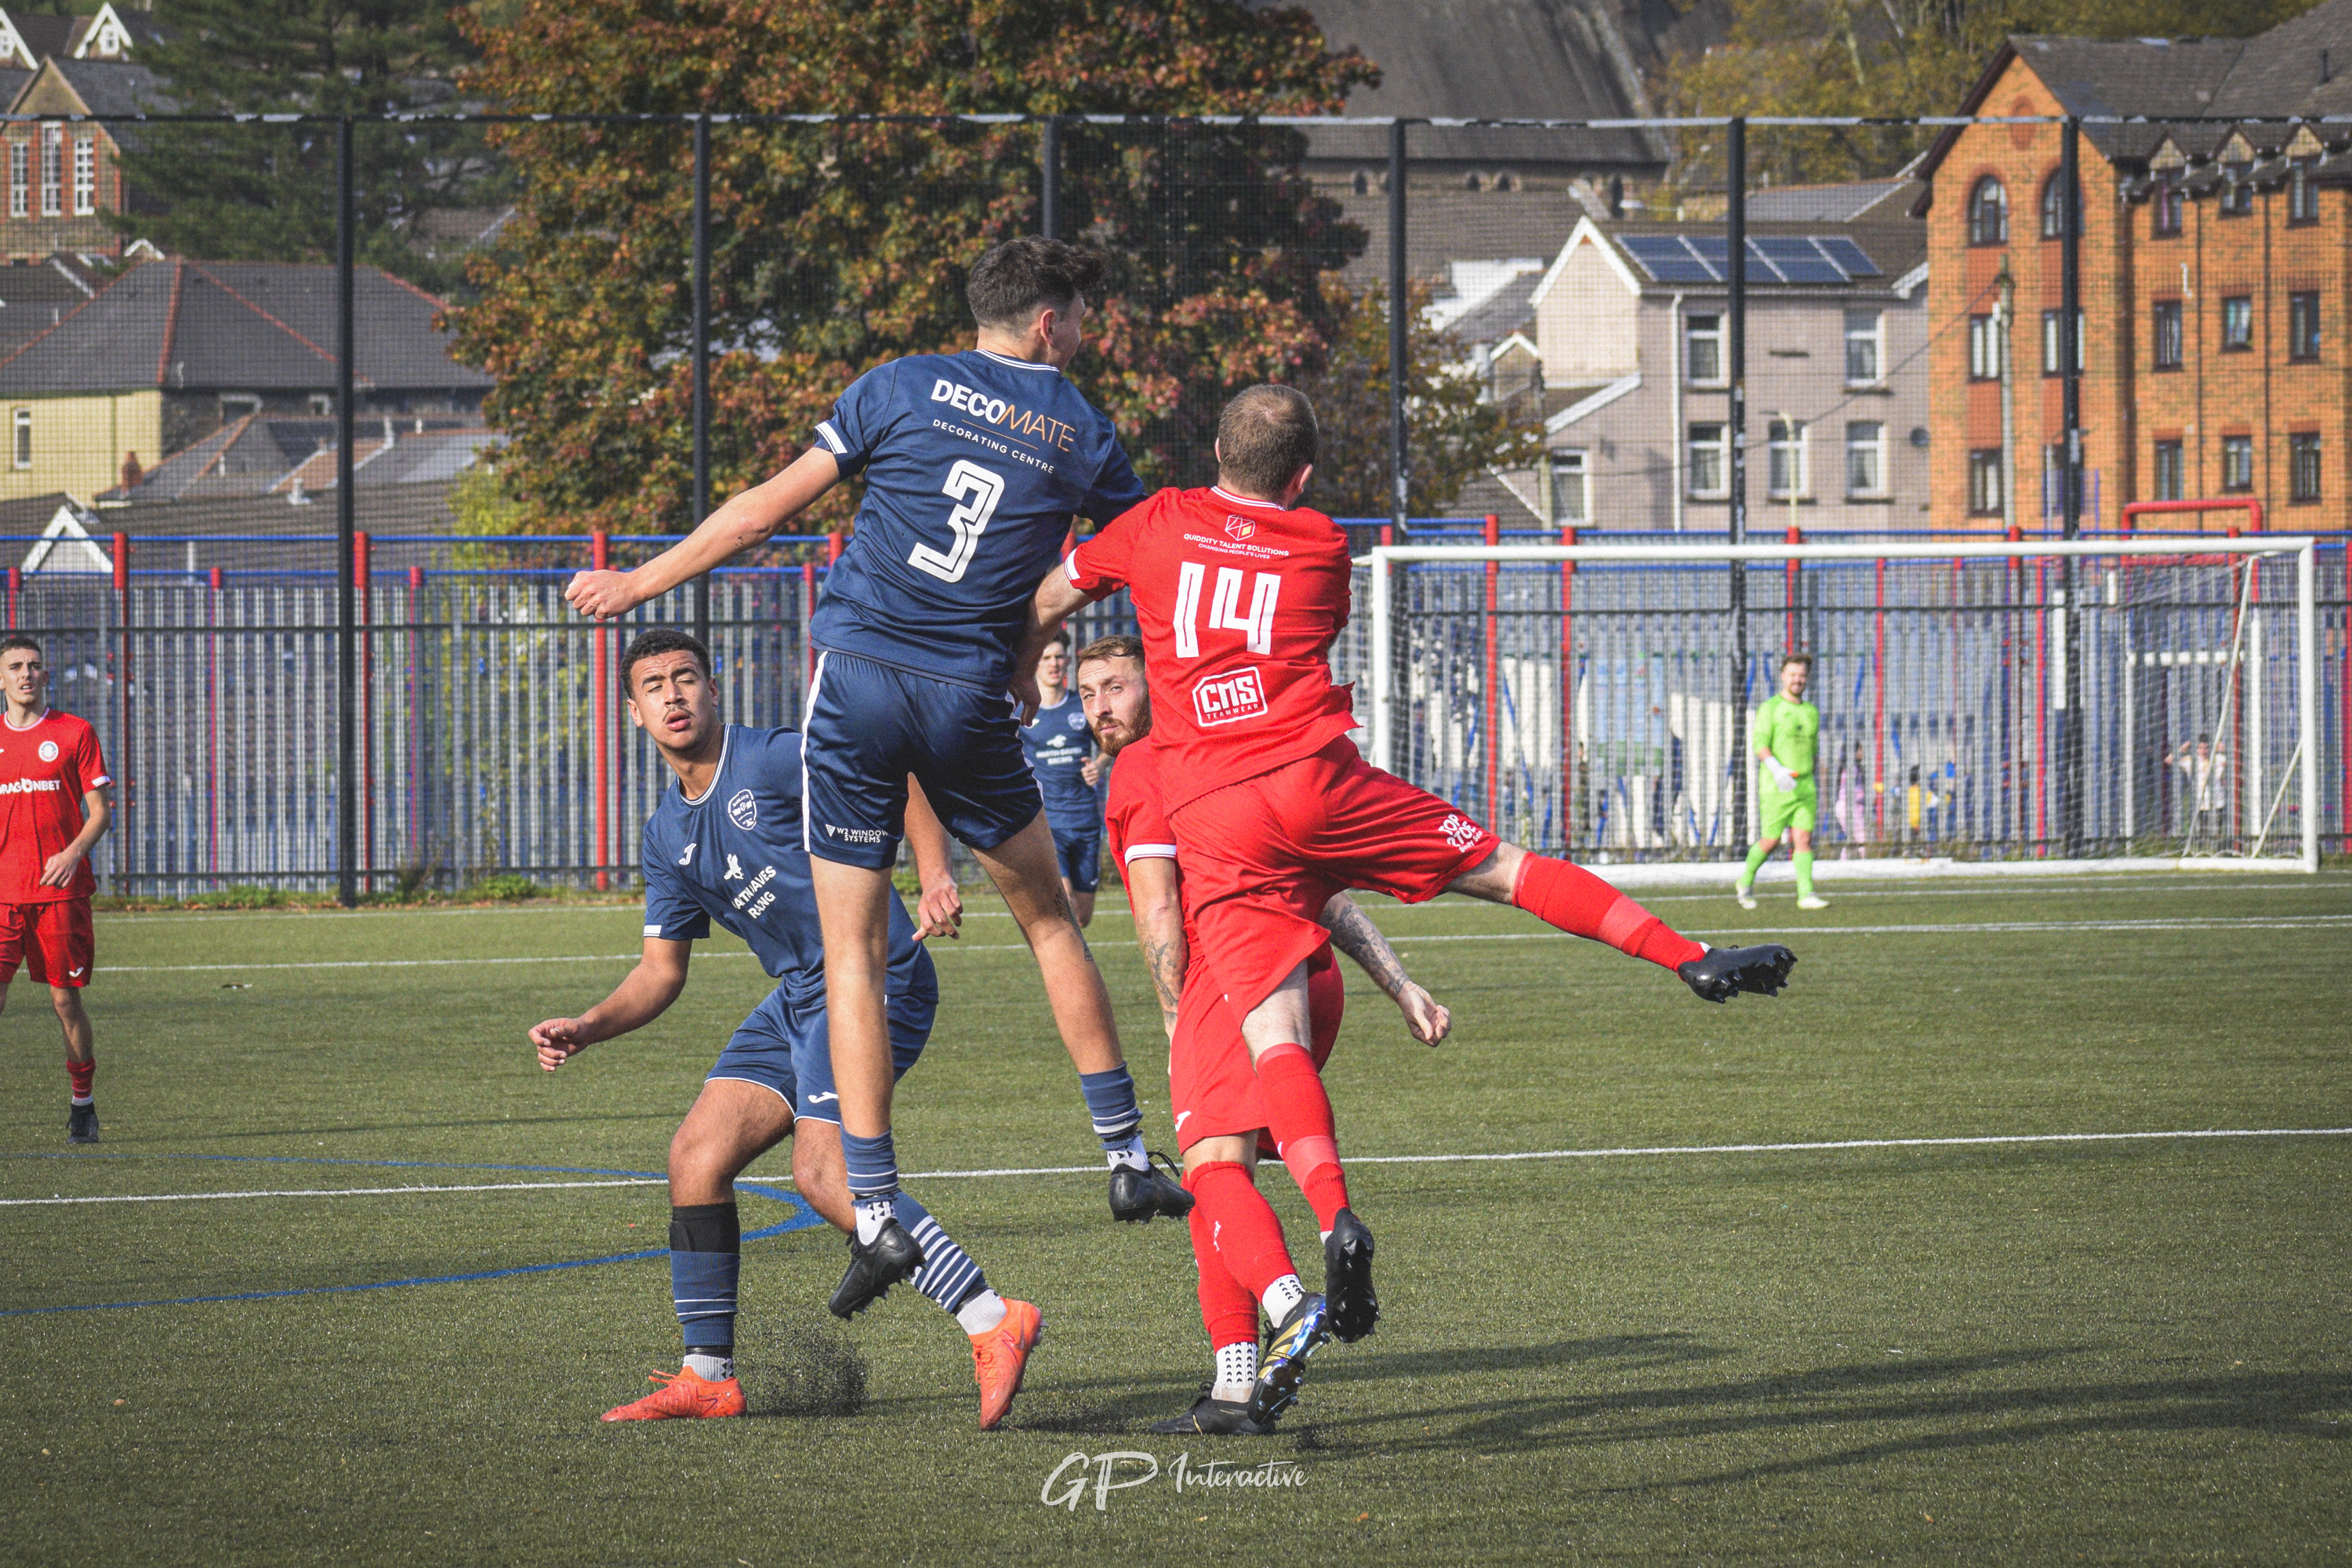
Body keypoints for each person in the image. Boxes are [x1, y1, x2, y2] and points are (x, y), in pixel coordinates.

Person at [1021, 385, 1795, 1357]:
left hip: (1218, 811)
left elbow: (1051, 594)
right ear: (1303, 476)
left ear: (1214, 447)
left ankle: (1337, 1215)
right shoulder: (1319, 547)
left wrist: (1014, 670)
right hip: (1317, 778)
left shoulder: (1158, 522)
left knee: (1272, 1040)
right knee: (1509, 867)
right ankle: (1686, 954)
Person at [563, 237, 1189, 1314]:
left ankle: (881, 1209)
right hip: (963, 694)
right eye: (1083, 317)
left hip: (853, 680)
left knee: (850, 949)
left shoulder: (897, 385)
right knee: (1049, 921)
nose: (1087, 335)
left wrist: (639, 580)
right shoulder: (1083, 432)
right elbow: (1113, 563)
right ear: (1049, 325)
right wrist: (1018, 642)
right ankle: (1127, 1154)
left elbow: (762, 508)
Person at [528, 630, 1040, 1429]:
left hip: (871, 974)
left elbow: (896, 772)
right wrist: (589, 1026)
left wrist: (936, 871)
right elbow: (662, 971)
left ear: (713, 687)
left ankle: (990, 1316)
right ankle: (708, 1375)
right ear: (632, 713)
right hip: (799, 993)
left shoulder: (768, 759)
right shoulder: (668, 835)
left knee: (823, 1168)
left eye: (686, 678)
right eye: (654, 685)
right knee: (696, 1155)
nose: (673, 695)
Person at [1078, 634, 1449, 1434]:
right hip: (1305, 974)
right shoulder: (1230, 749)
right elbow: (1319, 886)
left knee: (1211, 1172)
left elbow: (1156, 905)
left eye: (1115, 686)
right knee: (1223, 1171)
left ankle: (1290, 1302)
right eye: (1088, 694)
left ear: (1156, 685)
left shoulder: (1148, 765)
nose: (1101, 707)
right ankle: (1233, 1387)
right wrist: (1399, 981)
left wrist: (1178, 1015)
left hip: (1228, 980)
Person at [0, 634, 113, 1145]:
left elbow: (100, 813)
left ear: (46, 676)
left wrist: (71, 855)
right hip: (3, 898)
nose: (27, 673)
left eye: (35, 666)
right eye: (16, 666)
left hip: (59, 896)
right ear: (2, 678)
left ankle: (83, 1103)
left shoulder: (74, 733)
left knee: (65, 1003)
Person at [1019, 633, 1103, 927]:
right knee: (1063, 900)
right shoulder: (1023, 711)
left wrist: (1099, 765)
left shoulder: (1081, 706)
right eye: (1046, 658)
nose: (1053, 664)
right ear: (1036, 663)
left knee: (1082, 916)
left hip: (1085, 819)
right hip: (1048, 822)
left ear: (1068, 660)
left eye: (1058, 657)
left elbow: (1110, 740)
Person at [1737, 652, 1826, 910]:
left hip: (1805, 785)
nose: (1798, 680)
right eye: (1793, 674)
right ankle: (1744, 882)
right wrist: (1777, 770)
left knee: (1803, 839)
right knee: (1771, 840)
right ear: (1783, 676)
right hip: (1777, 785)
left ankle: (1806, 894)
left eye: (1802, 675)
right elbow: (1760, 745)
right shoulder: (1770, 708)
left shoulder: (1811, 712)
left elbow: (1813, 750)